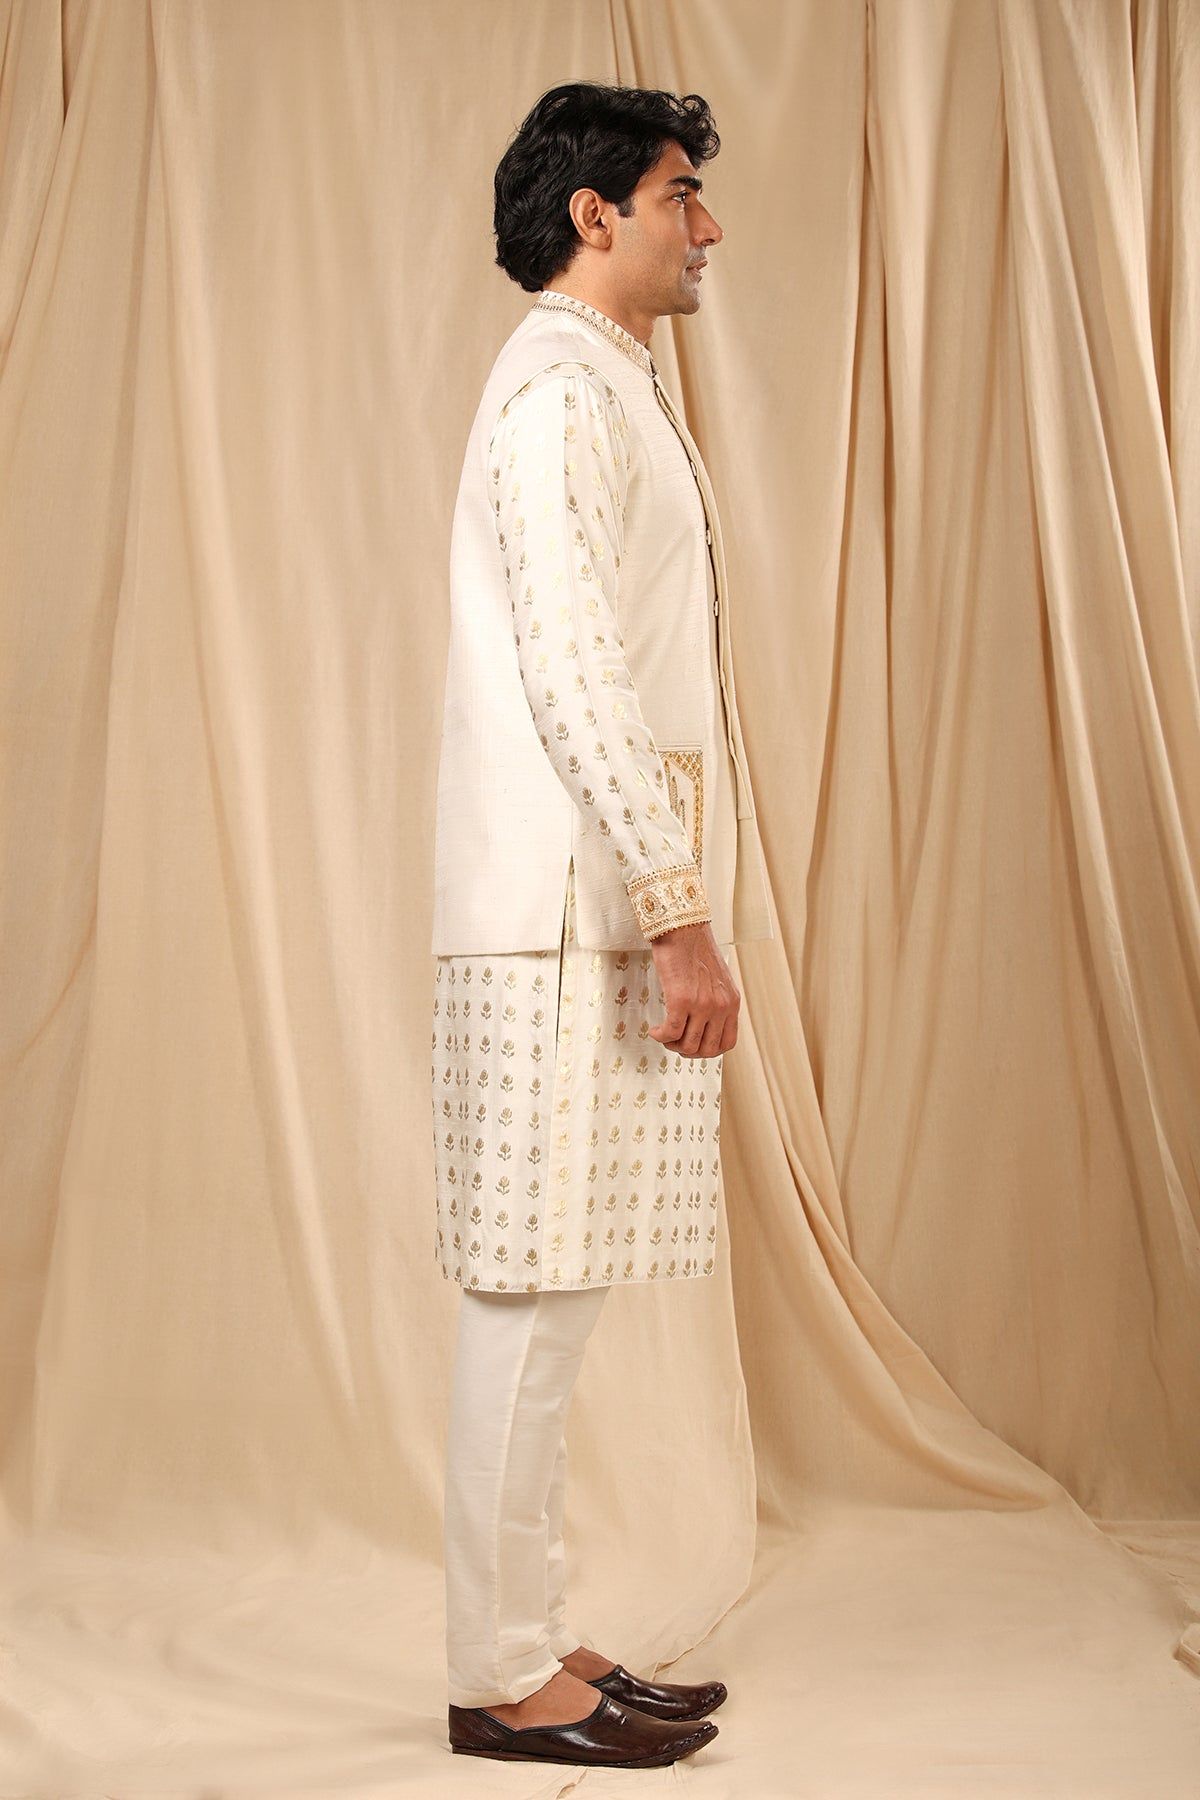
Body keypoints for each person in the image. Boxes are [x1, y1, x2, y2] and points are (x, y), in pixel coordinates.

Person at [429, 78, 773, 1770]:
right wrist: (677, 911)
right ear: (596, 215)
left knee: (556, 1302)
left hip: (591, 908)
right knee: (529, 1298)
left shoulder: (606, 379)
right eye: (679, 194)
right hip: (561, 917)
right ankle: (500, 1678)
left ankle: (530, 1632)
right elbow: (574, 672)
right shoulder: (558, 392)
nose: (706, 226)